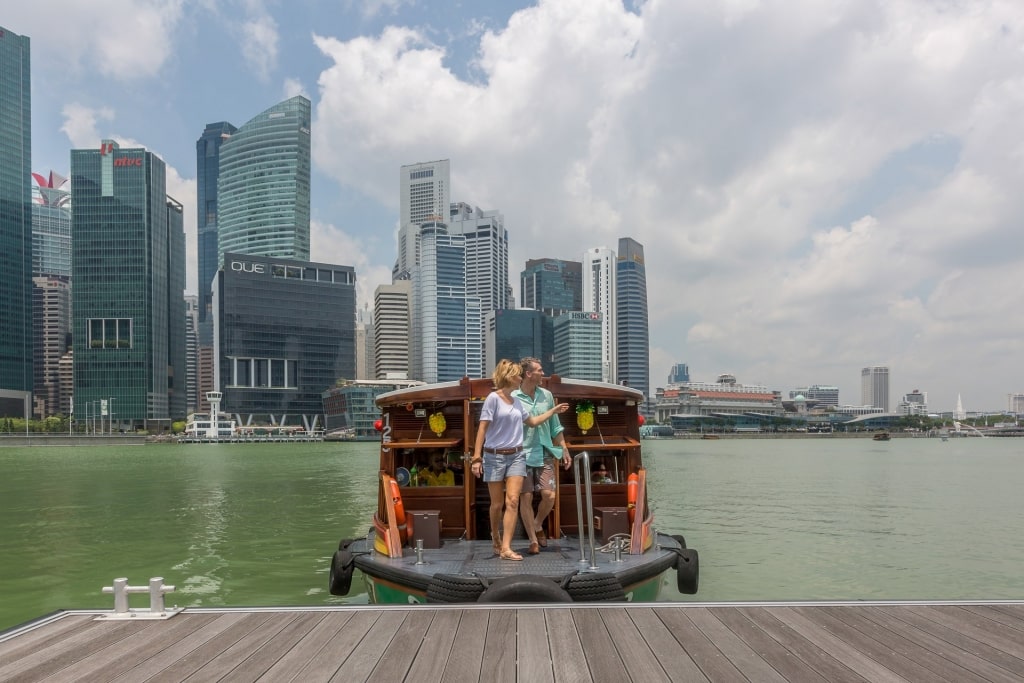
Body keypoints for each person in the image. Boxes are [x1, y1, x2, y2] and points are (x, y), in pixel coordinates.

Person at [471, 359, 569, 561]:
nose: (520, 377)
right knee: (497, 504)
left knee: (514, 500)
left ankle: (507, 548)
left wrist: (553, 411)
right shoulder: (493, 398)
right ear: (509, 377)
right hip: (495, 456)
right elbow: (482, 428)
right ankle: (496, 536)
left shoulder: (518, 401)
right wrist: (476, 457)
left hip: (517, 455)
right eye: (517, 375)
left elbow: (532, 422)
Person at [514, 357, 570, 555]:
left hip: (545, 452)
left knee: (549, 495)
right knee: (526, 497)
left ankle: (538, 524)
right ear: (528, 374)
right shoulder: (513, 397)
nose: (542, 373)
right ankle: (532, 540)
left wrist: (563, 447)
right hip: (521, 455)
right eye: (539, 370)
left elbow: (555, 426)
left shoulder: (546, 395)